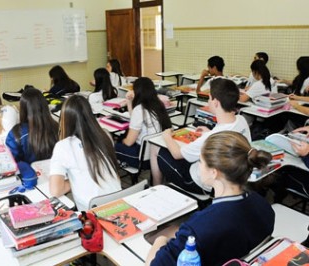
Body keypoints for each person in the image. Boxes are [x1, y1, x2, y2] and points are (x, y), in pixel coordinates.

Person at [146, 131, 275, 266]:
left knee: (155, 237)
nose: (199, 166)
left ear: (214, 172)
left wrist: (160, 240)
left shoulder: (199, 228)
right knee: (173, 229)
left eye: (200, 161)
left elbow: (156, 264)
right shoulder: (264, 206)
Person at [153, 79, 251, 189]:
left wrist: (167, 136)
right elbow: (228, 137)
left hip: (197, 182)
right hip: (229, 177)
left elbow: (177, 154)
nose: (208, 101)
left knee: (156, 148)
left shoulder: (212, 138)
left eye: (209, 98)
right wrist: (208, 132)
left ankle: (156, 187)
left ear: (216, 103)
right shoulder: (241, 119)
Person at [49, 95, 121, 211]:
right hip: (119, 202)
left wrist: (74, 179)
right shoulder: (105, 135)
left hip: (94, 212)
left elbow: (56, 191)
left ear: (65, 119)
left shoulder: (63, 146)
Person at [115, 77, 172, 168]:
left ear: (137, 91)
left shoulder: (139, 109)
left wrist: (121, 142)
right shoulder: (158, 104)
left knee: (112, 146)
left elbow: (129, 142)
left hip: (142, 158)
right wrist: (129, 102)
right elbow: (135, 117)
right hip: (158, 154)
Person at [6, 87, 58, 164]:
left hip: (30, 175)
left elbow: (12, 161)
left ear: (23, 108)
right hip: (56, 173)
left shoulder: (17, 133)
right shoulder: (57, 127)